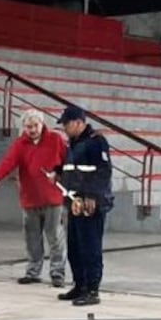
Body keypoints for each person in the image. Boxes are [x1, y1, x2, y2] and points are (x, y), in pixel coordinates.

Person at [0, 109, 67, 287]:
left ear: (42, 124)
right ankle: (33, 272)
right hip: (30, 199)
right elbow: (8, 161)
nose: (32, 130)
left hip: (52, 198)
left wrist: (62, 176)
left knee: (55, 237)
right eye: (28, 127)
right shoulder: (19, 144)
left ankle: (57, 273)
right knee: (32, 238)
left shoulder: (55, 139)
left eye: (35, 126)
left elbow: (66, 161)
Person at [54, 106, 112, 306]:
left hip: (90, 204)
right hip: (74, 202)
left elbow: (103, 172)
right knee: (74, 247)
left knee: (90, 248)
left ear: (78, 122)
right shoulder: (73, 143)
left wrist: (92, 196)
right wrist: (58, 171)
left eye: (66, 124)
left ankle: (92, 290)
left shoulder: (96, 142)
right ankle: (80, 285)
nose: (64, 128)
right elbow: (73, 169)